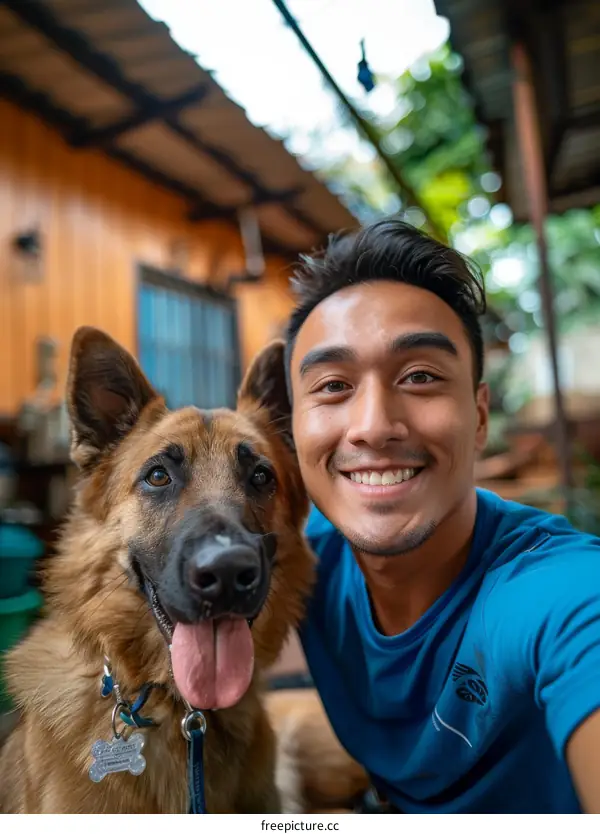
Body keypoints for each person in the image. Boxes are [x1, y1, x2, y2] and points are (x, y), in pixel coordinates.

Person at [282, 217, 600, 813]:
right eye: (332, 385)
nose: (373, 425)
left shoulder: (552, 594)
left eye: (420, 376)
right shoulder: (300, 558)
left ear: (479, 418)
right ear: (293, 428)